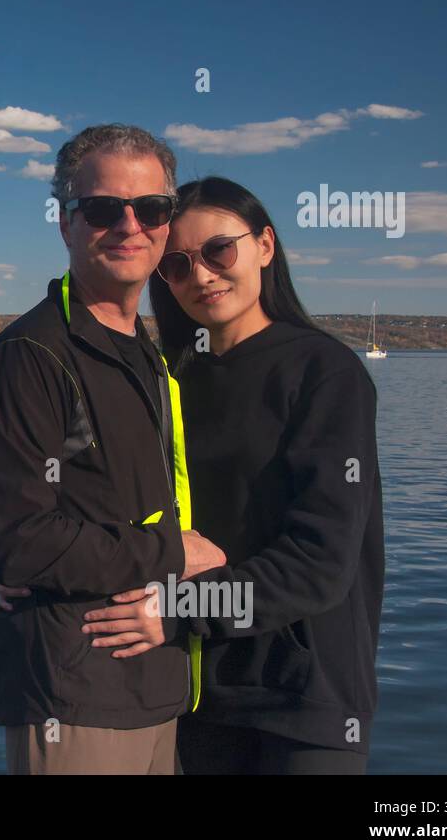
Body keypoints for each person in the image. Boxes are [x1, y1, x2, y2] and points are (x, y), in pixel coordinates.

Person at [81, 176, 385, 774]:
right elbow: (103, 489)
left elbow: (320, 562)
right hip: (196, 696)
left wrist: (174, 610)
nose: (202, 276)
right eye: (177, 265)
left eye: (219, 251)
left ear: (265, 246)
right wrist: (30, 560)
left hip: (305, 699)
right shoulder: (171, 380)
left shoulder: (326, 374)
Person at [0, 124, 224, 775]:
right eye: (105, 208)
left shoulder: (148, 353)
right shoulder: (31, 357)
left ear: (167, 224)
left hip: (160, 688)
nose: (129, 225)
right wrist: (175, 553)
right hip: (74, 700)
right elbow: (20, 541)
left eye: (151, 208)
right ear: (65, 223)